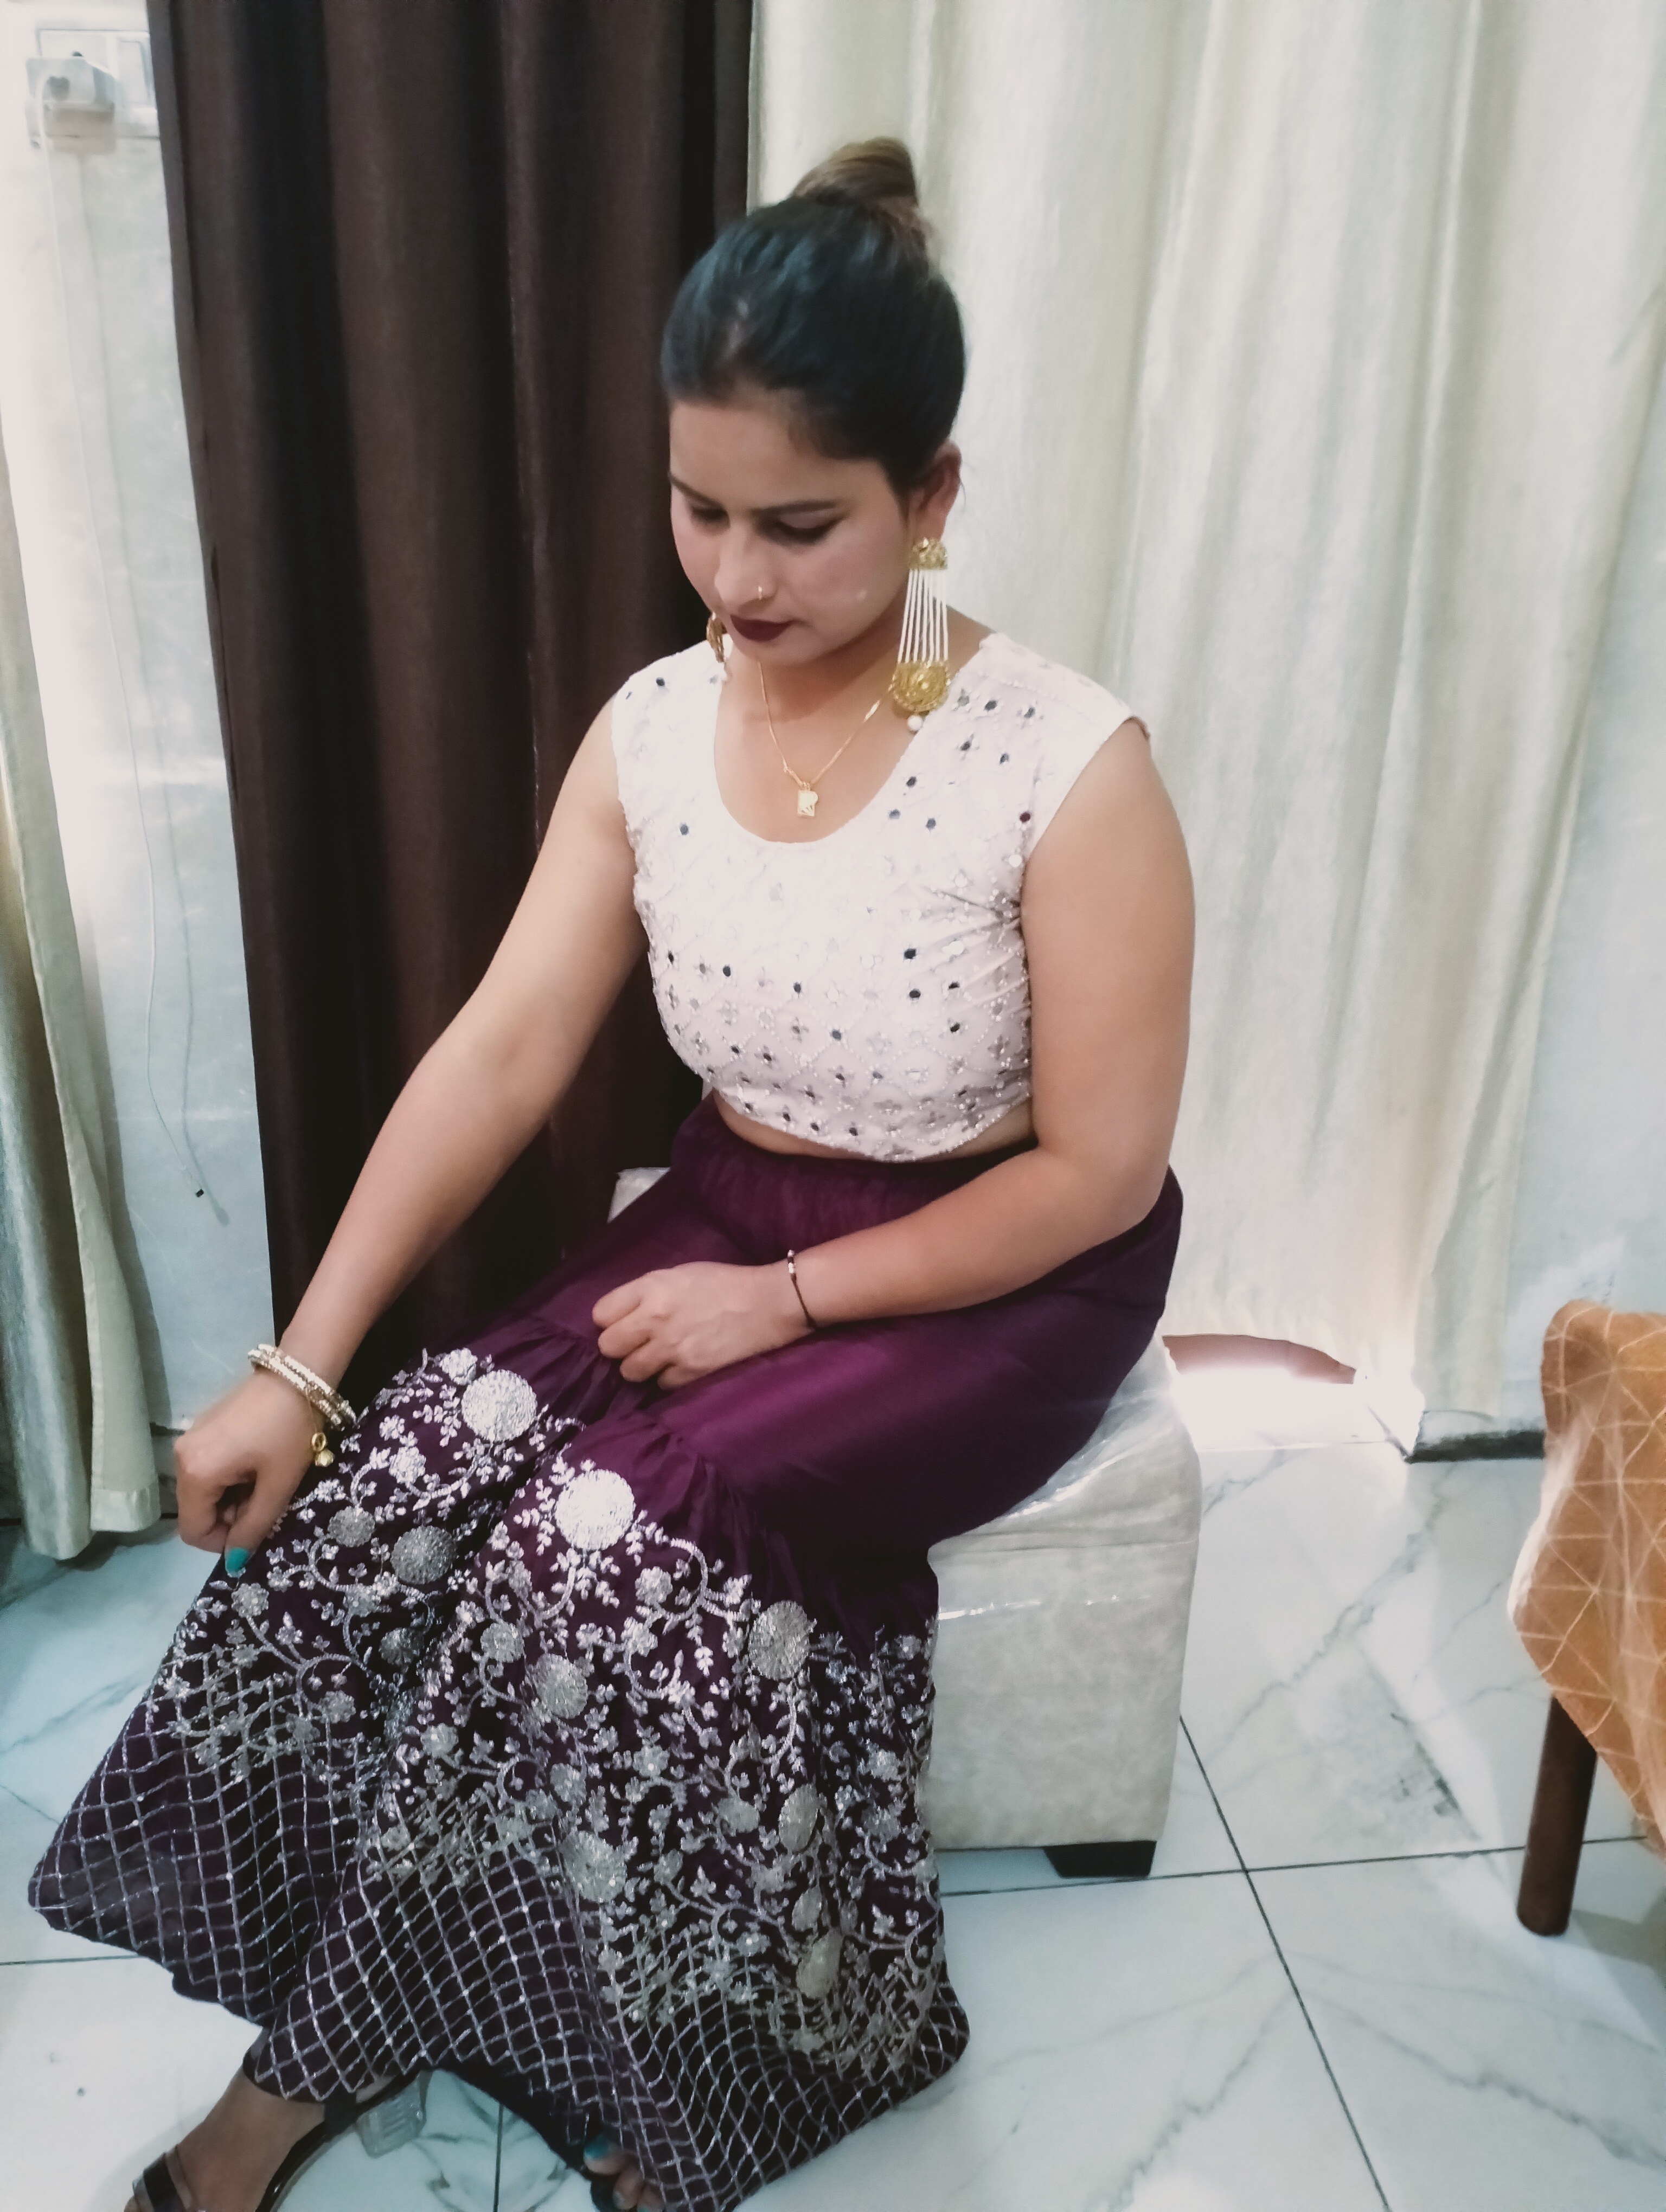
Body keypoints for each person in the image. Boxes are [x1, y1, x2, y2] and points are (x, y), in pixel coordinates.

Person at [32, 139, 1193, 2212]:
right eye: (698, 508)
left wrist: (789, 1304)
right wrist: (298, 1369)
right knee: (403, 1475)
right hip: (735, 1198)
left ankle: (595, 2088)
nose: (736, 574)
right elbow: (501, 1050)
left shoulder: (1064, 763)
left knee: (598, 1556)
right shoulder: (653, 727)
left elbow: (1104, 1172)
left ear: (932, 494)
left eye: (801, 525)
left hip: (1001, 1270)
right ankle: (412, 2005)